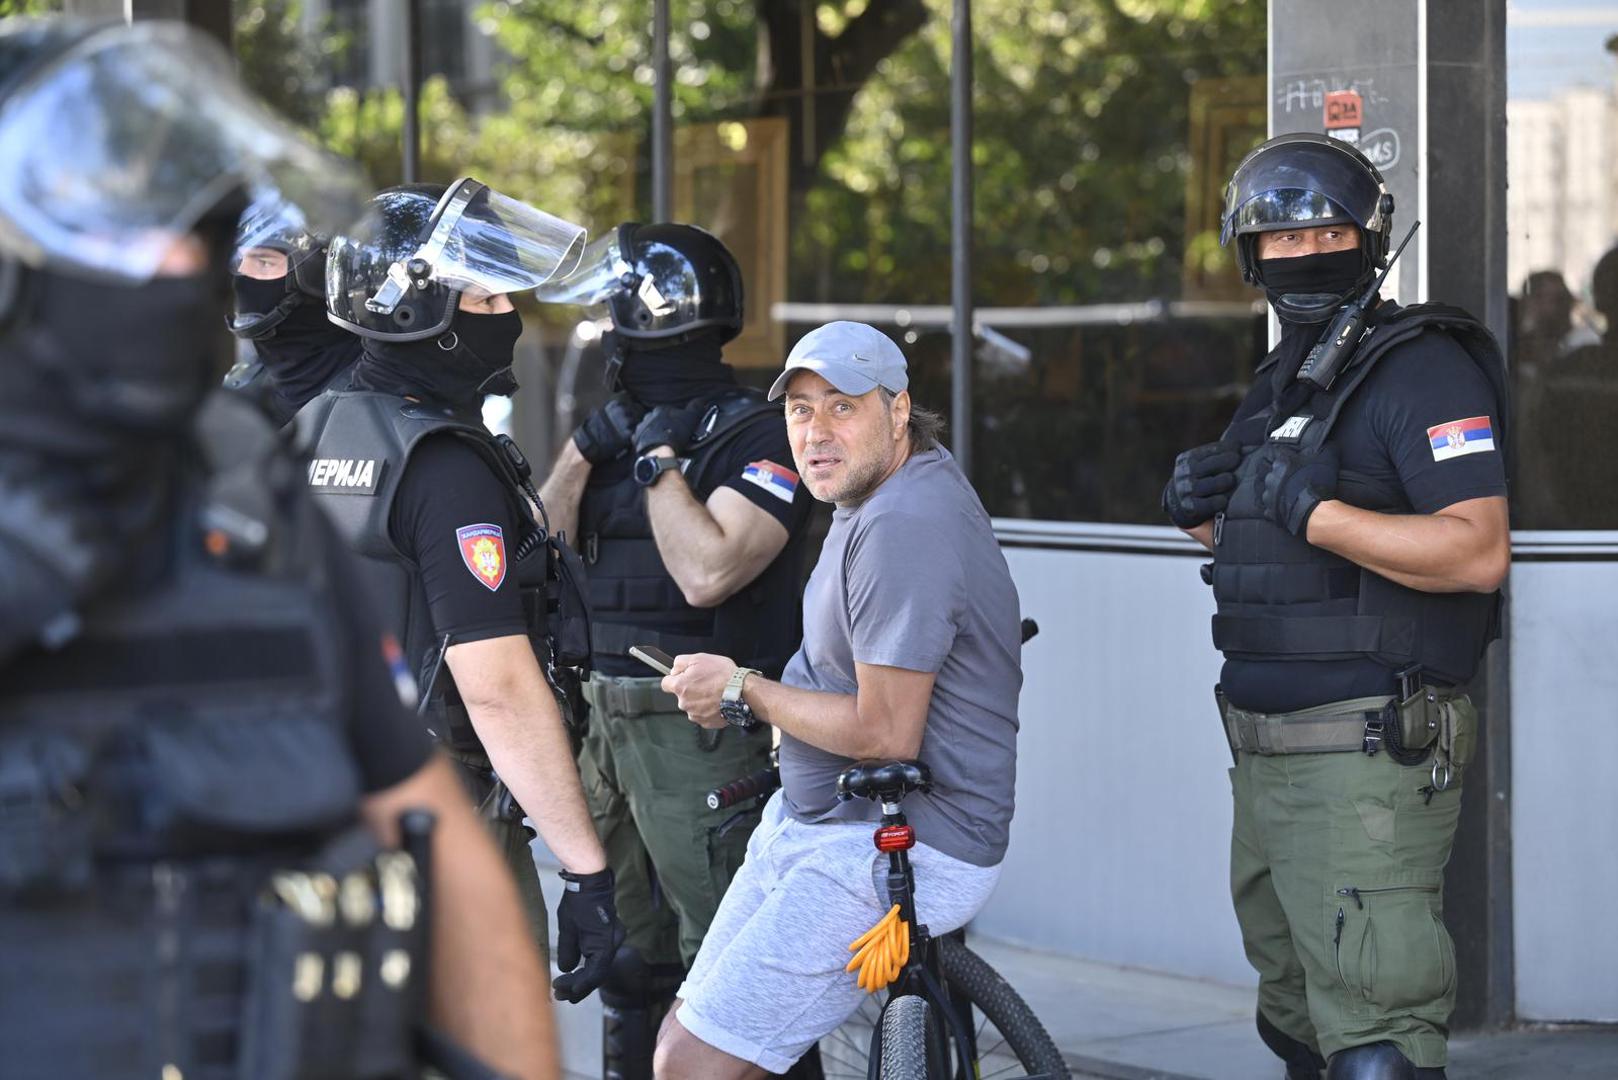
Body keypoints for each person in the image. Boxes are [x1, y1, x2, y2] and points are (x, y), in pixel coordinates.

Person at [0, 16, 556, 1079]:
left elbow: (427, 830)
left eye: (193, 238)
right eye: (119, 234)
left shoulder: (242, 494)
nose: (177, 272)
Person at [1164, 133, 1510, 1079]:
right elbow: (1263, 549)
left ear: (1372, 238)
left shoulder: (1424, 368)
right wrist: (1202, 514)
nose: (1303, 255)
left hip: (1366, 757)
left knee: (1376, 1035)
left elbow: (1477, 550)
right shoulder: (1285, 381)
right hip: (1264, 759)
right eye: (1278, 241)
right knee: (1295, 1021)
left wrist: (1318, 514)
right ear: (1249, 257)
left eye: (1328, 233)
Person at [649, 321, 1023, 1079]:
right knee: (680, 1042)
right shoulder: (882, 495)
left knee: (690, 1066)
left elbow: (885, 734)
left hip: (905, 842)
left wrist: (740, 688)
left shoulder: (904, 526)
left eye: (842, 407)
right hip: (824, 821)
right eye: (800, 410)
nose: (815, 432)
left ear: (898, 409)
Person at [298, 178, 624, 1003]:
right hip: (439, 835)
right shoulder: (440, 467)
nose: (507, 313)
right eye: (484, 295)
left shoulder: (307, 431)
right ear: (419, 312)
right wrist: (586, 873)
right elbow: (500, 693)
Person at [532, 223, 814, 1074]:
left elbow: (709, 572)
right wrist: (588, 447)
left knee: (731, 977)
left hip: (701, 729)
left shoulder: (759, 435)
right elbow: (541, 544)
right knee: (624, 960)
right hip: (603, 725)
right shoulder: (614, 433)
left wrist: (658, 462)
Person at [223, 195, 361, 426]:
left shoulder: (373, 392)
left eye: (264, 263)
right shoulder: (239, 395)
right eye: (238, 262)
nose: (241, 279)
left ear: (319, 273)